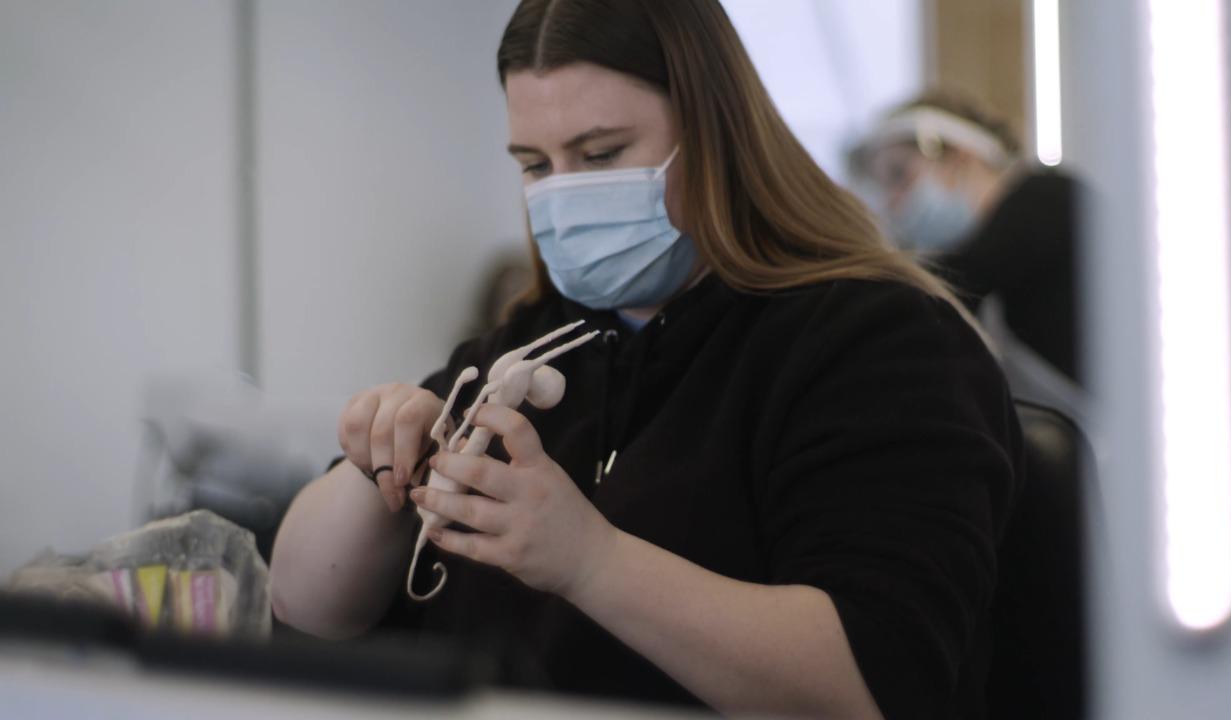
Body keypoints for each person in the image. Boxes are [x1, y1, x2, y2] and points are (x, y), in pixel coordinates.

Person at [269, 2, 1023, 718]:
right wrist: (381, 469)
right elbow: (304, 602)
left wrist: (592, 563)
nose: (564, 194)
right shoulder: (531, 341)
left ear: (716, 134)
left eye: (601, 153)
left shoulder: (879, 344)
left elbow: (877, 685)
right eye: (535, 164)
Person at [851, 89, 1082, 382]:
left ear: (959, 155)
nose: (891, 203)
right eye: (882, 187)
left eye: (899, 175)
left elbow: (946, 287)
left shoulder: (1045, 202)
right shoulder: (1005, 267)